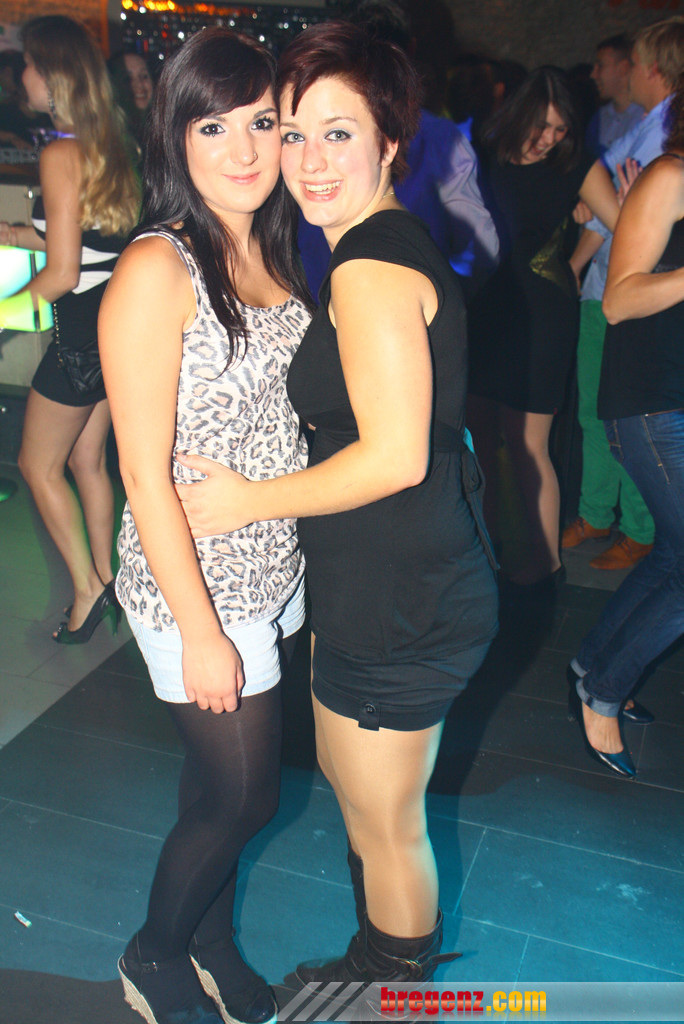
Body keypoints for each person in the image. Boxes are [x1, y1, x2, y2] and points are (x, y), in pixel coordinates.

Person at [177, 19, 499, 983]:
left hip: (402, 594)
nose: (309, 160)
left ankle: (390, 986)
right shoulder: (372, 246)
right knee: (370, 806)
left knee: (387, 822)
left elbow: (394, 457)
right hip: (390, 580)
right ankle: (377, 961)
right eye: (294, 133)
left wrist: (249, 501)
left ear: (390, 142)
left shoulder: (367, 267)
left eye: (339, 133)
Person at [98, 27, 313, 1024]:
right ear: (175, 136)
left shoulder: (267, 243)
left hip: (272, 562)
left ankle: (212, 940)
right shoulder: (158, 266)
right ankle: (155, 950)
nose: (243, 148)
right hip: (196, 583)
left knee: (212, 784)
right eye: (213, 125)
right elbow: (141, 473)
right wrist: (200, 631)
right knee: (245, 796)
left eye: (262, 122)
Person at [0, 16, 140, 642]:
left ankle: (87, 590)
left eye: (29, 63)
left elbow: (61, 274)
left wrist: (2, 315)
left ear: (53, 75)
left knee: (36, 465)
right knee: (87, 460)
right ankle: (109, 580)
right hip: (117, 333)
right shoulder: (113, 142)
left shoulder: (59, 153)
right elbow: (96, 244)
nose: (21, 75)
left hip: (79, 340)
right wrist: (18, 233)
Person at [568, 71, 684, 778]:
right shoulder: (669, 176)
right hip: (652, 399)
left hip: (674, 396)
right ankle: (604, 694)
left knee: (674, 556)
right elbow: (618, 300)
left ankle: (592, 667)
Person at [466, 67, 620, 588]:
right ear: (521, 115)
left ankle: (546, 564)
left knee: (529, 444)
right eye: (543, 125)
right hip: (489, 308)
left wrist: (577, 258)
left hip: (543, 313)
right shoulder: (485, 152)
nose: (551, 137)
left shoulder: (577, 165)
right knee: (481, 438)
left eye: (560, 128)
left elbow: (623, 224)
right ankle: (491, 553)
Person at [562, 18, 684, 571]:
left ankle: (636, 529)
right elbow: (606, 207)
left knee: (627, 415)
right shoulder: (649, 130)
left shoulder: (661, 137)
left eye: (631, 62)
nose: (625, 72)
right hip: (615, 287)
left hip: (634, 294)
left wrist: (601, 217)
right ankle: (608, 516)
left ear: (654, 68)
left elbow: (615, 211)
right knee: (602, 414)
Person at [297, 0, 499, 298]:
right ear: (411, 50)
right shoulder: (442, 138)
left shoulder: (441, 138)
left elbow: (481, 249)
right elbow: (482, 249)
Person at [586, 34, 643, 159]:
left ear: (623, 68)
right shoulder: (599, 118)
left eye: (600, 66)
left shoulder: (646, 117)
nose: (593, 74)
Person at [108, 50, 155, 147]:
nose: (139, 85)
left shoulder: (163, 129)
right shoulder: (110, 139)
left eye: (144, 76)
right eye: (128, 79)